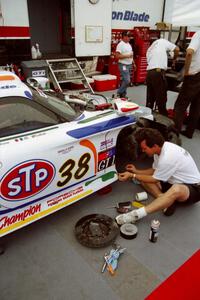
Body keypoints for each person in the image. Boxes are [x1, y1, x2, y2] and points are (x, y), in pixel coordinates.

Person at [116, 128, 200, 225]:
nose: (143, 151)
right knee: (141, 178)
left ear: (154, 146)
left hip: (193, 188)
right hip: (171, 181)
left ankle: (136, 214)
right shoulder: (160, 150)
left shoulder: (168, 157)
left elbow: (154, 178)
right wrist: (136, 171)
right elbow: (155, 170)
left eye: (144, 148)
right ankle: (165, 200)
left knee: (177, 189)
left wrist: (132, 175)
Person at [173, 31, 200, 139]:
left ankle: (174, 134)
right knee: (196, 106)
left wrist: (186, 72)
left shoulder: (198, 34)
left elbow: (189, 52)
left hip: (194, 75)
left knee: (180, 105)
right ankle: (189, 132)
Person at [146, 38, 179, 115]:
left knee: (150, 98)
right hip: (158, 73)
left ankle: (148, 116)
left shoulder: (149, 50)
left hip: (149, 73)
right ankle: (163, 119)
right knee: (161, 97)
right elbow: (177, 49)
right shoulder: (162, 41)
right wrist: (174, 60)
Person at [115, 31, 136, 98]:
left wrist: (134, 63)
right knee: (127, 80)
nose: (130, 38)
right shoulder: (120, 45)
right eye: (128, 36)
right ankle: (119, 92)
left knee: (125, 80)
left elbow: (131, 55)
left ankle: (123, 95)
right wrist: (127, 56)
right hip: (123, 65)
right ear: (124, 37)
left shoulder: (129, 44)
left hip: (129, 64)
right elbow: (117, 56)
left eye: (130, 36)